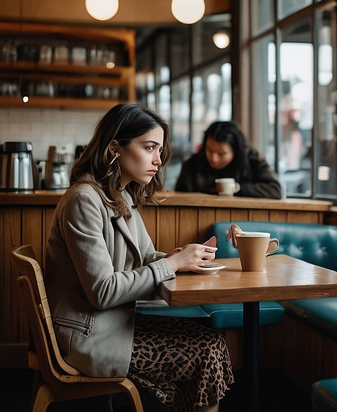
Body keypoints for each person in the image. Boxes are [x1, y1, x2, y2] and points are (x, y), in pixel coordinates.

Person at [45, 104, 234, 412]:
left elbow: (146, 257)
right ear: (114, 149)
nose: (158, 160)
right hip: (88, 334)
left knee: (209, 339)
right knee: (207, 348)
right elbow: (103, 292)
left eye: (159, 150)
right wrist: (171, 264)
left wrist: (185, 258)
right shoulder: (84, 200)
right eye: (149, 148)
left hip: (112, 323)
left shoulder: (120, 196)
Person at [175, 120, 282, 199]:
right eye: (209, 150)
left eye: (221, 154)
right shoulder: (193, 163)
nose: (214, 158)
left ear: (235, 151)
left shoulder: (252, 160)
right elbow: (179, 196)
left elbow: (275, 190)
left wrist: (238, 188)